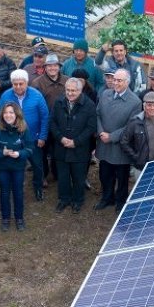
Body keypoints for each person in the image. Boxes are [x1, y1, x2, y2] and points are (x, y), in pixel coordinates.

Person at [0, 69, 49, 202]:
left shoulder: (36, 95)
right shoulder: (5, 96)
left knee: (37, 165)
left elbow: (45, 116)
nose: (18, 87)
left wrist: (42, 136)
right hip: (12, 139)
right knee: (13, 165)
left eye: (21, 84)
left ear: (27, 83)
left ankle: (37, 187)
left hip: (33, 139)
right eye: (15, 84)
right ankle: (13, 189)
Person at [95, 68, 141, 211]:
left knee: (121, 177)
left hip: (120, 146)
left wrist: (112, 136)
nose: (115, 83)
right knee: (105, 174)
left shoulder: (135, 102)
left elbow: (130, 126)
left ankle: (121, 202)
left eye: (119, 80)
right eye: (114, 79)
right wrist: (101, 131)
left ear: (127, 82)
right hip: (104, 143)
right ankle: (107, 198)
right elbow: (97, 115)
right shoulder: (105, 94)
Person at [50, 77, 97, 213]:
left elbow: (91, 127)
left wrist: (76, 142)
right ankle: (64, 199)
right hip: (61, 147)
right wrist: (61, 138)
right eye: (68, 90)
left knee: (78, 177)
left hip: (80, 149)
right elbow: (52, 122)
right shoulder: (59, 102)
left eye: (73, 91)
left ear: (80, 91)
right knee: (63, 176)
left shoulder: (89, 105)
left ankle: (78, 200)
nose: (70, 93)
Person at [0, 101, 34, 230]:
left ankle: (19, 218)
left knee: (18, 192)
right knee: (4, 192)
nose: (8, 115)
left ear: (16, 114)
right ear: (2, 115)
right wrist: (1, 153)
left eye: (11, 113)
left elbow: (30, 148)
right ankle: (5, 218)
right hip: (2, 167)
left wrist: (19, 154)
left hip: (18, 167)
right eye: (6, 113)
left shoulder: (23, 130)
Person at [32, 54, 68, 186]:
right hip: (44, 123)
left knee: (59, 149)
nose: (52, 68)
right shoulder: (37, 83)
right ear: (45, 67)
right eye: (49, 66)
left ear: (59, 67)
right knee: (42, 150)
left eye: (55, 65)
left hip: (62, 123)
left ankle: (57, 172)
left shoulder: (67, 81)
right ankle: (42, 175)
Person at [120, 90, 154, 179]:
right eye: (149, 105)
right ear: (144, 106)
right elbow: (124, 141)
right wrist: (136, 156)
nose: (152, 108)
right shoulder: (135, 122)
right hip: (141, 167)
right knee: (141, 191)